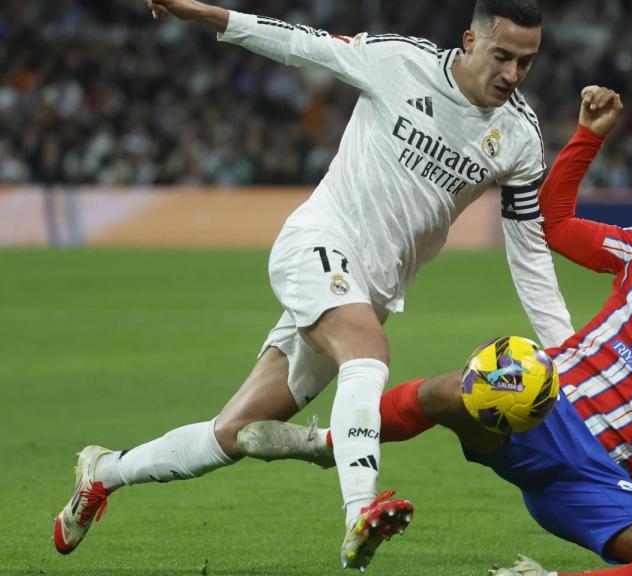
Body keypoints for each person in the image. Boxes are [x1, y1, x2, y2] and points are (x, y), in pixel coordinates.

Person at [242, 86, 632, 575]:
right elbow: (555, 224)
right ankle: (331, 445)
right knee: (451, 391)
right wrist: (587, 136)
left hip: (597, 479)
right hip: (540, 404)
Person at [53, 0, 575, 570]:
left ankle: (103, 473)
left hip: (370, 289)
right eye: (503, 56)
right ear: (472, 42)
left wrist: (569, 351)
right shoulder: (397, 61)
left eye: (526, 63)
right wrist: (198, 13)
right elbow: (298, 42)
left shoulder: (520, 137)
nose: (512, 75)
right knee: (369, 351)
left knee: (232, 435)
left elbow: (530, 254)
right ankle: (361, 512)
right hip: (318, 242)